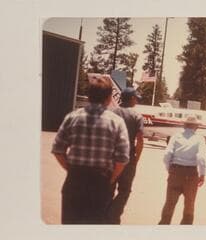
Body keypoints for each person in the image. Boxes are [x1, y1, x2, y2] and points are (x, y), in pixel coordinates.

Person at [51, 75, 130, 224]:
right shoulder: (117, 122)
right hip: (100, 183)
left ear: (88, 96)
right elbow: (122, 158)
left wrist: (70, 169)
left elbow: (57, 149)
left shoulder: (72, 117)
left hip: (74, 181)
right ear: (108, 98)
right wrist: (111, 178)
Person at [158, 115, 206, 225]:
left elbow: (167, 155)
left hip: (175, 171)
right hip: (191, 174)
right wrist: (202, 174)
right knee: (189, 204)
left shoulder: (175, 136)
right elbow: (201, 157)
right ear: (196, 126)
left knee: (169, 203)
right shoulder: (200, 139)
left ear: (184, 125)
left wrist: (170, 169)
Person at [106, 87, 144, 224]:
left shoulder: (111, 113)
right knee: (125, 190)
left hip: (110, 157)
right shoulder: (136, 116)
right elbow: (139, 140)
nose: (137, 100)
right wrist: (136, 159)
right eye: (136, 98)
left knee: (108, 188)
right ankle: (113, 215)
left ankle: (105, 214)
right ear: (132, 98)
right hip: (128, 158)